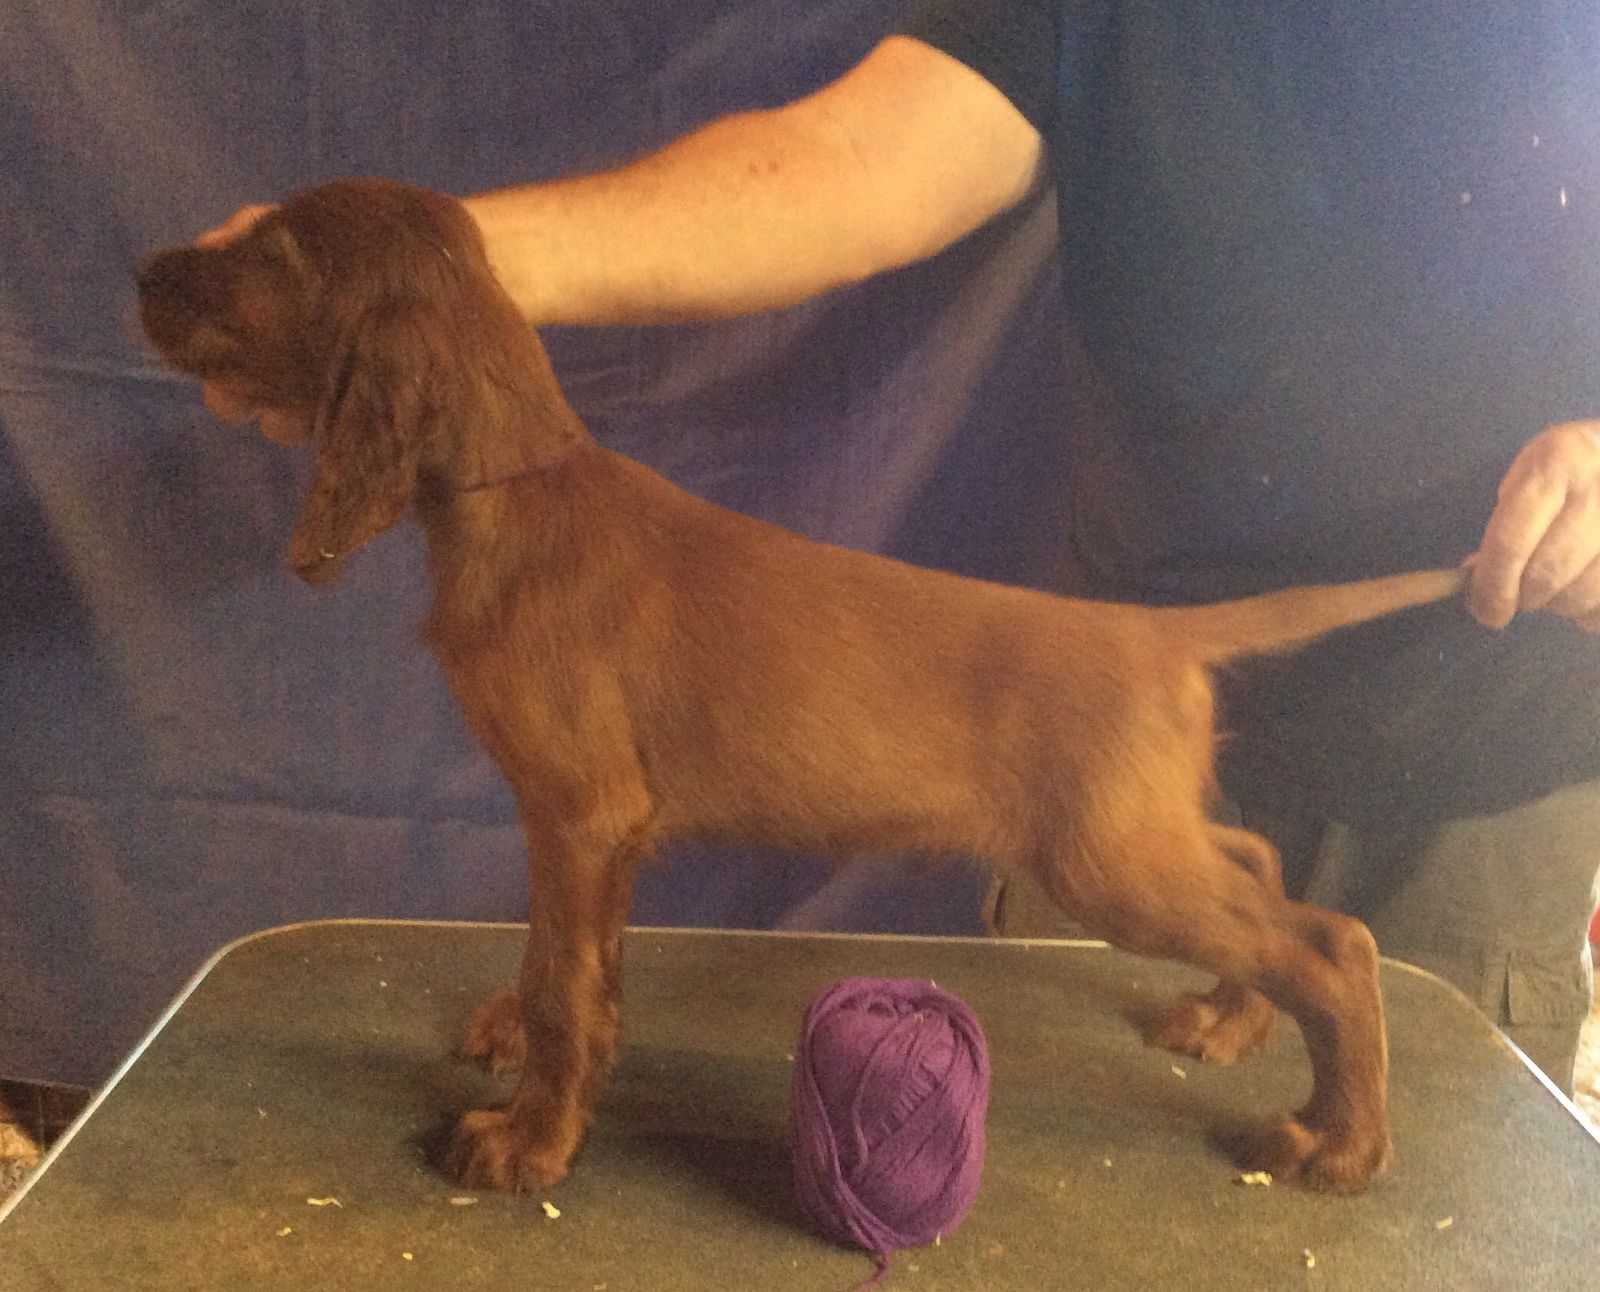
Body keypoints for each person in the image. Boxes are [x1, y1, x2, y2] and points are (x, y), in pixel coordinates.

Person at [202, 1, 1600, 1090]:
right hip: (1124, 668)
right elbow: (852, 164)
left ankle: (1316, 1013)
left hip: (1484, 756)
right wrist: (415, 273)